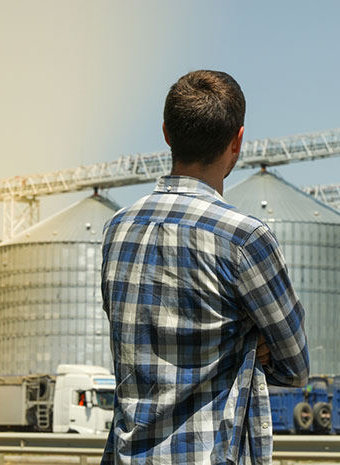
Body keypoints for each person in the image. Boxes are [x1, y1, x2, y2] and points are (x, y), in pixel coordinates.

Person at [100, 70, 309, 465]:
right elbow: (294, 366)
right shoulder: (245, 238)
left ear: (166, 132)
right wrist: (249, 342)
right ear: (237, 141)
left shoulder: (117, 229)